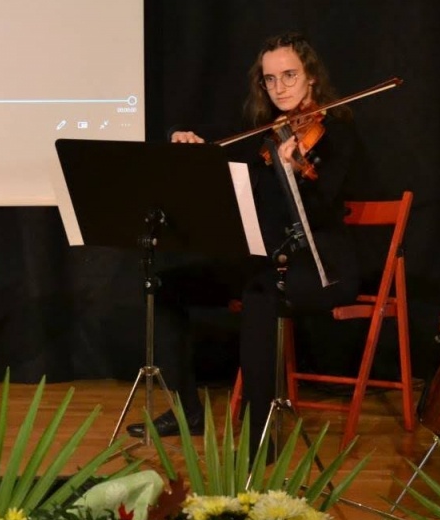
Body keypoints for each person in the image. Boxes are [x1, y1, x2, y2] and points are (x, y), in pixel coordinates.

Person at [128, 32, 360, 441]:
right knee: (163, 288)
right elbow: (206, 134)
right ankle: (186, 412)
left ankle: (259, 437)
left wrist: (296, 170)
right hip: (263, 262)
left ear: (311, 77)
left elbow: (323, 209)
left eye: (289, 75)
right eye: (270, 79)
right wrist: (184, 135)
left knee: (260, 295)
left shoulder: (337, 133)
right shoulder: (263, 132)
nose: (279, 87)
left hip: (322, 265)